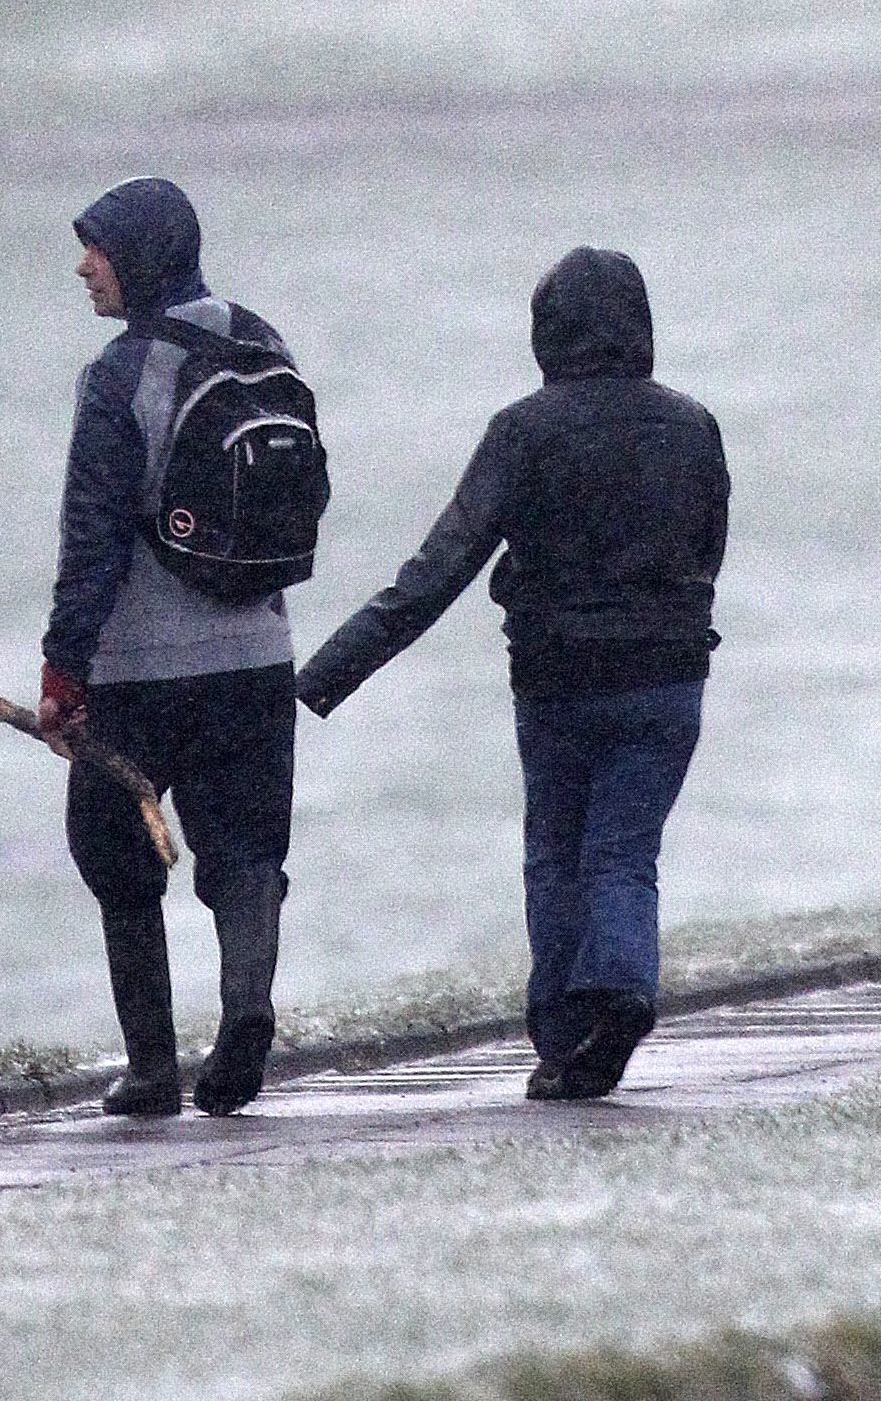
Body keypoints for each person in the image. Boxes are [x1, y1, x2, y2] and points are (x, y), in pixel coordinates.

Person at [296, 245, 726, 1101]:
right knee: (624, 852)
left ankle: (568, 1038)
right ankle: (623, 987)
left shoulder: (524, 431)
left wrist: (318, 681)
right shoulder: (694, 423)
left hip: (559, 680)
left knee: (557, 855)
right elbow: (708, 546)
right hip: (669, 679)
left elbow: (438, 569)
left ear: (548, 331)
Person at [42, 175, 300, 1118]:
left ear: (139, 255)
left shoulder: (119, 376)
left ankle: (153, 1067)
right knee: (245, 851)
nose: (84, 266)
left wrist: (63, 671)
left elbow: (93, 534)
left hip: (141, 673)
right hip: (259, 656)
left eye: (97, 249)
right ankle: (245, 1009)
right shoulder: (264, 342)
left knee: (114, 854)